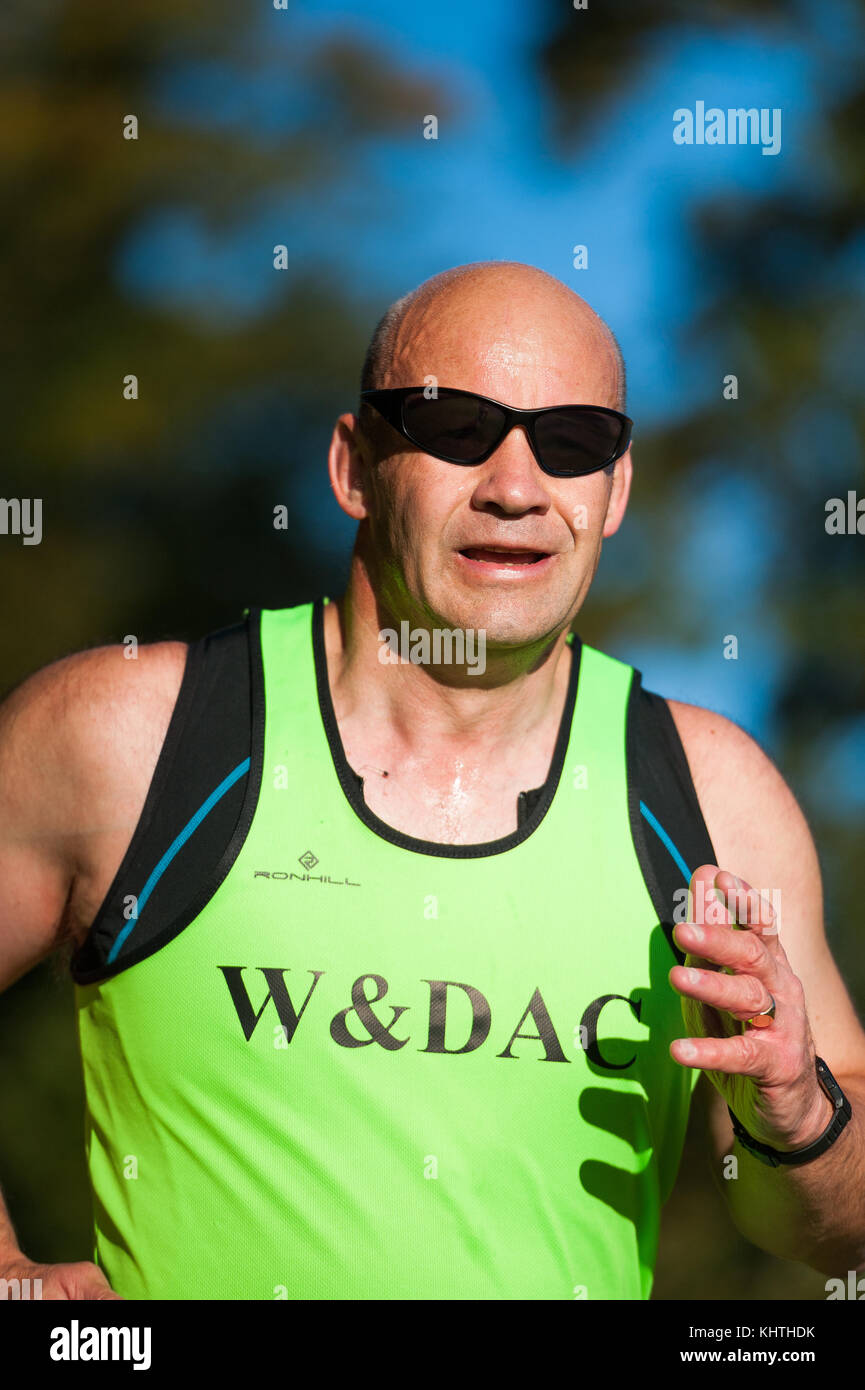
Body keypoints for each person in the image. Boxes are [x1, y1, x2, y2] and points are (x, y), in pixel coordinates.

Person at [1, 260, 864, 1301]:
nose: (513, 485)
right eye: (455, 427)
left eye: (571, 441)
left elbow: (831, 1235)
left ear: (615, 489)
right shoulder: (133, 735)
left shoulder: (711, 794)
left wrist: (802, 1121)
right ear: (354, 464)